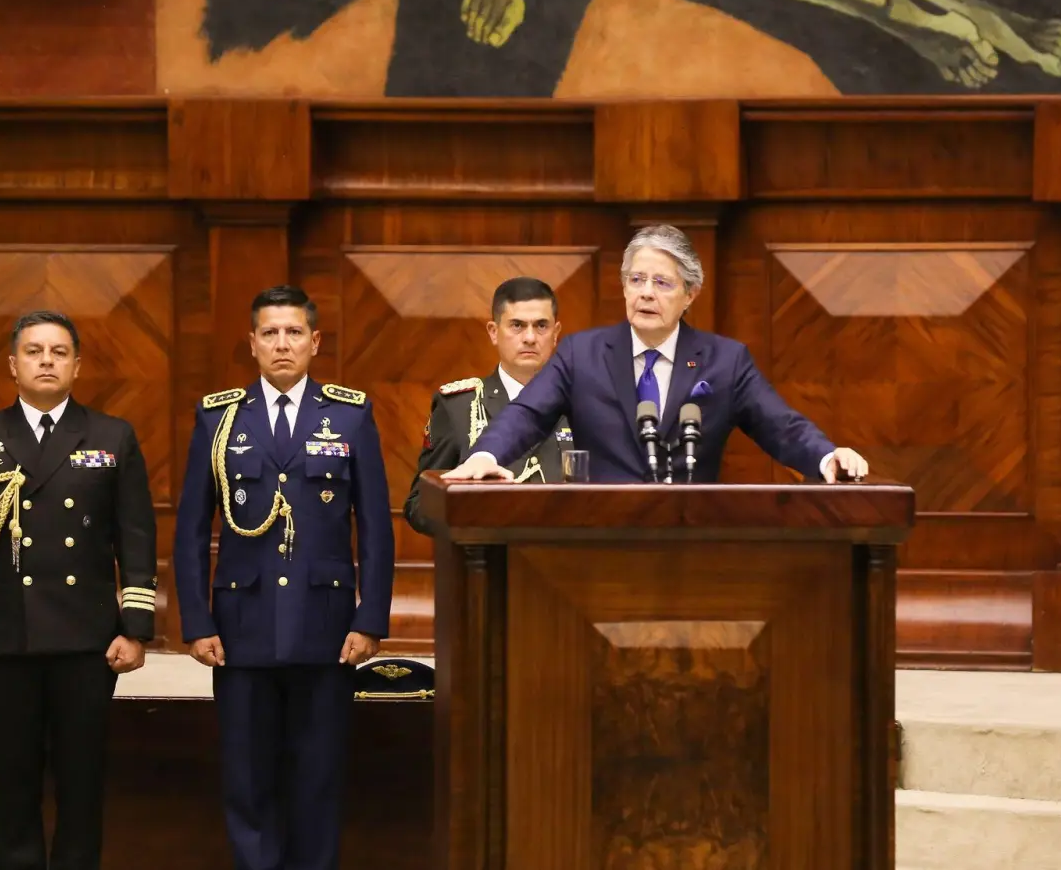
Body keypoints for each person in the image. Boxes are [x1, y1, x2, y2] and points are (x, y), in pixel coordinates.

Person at [173, 284, 394, 870]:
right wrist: (196, 621)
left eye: (294, 332)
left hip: (327, 630)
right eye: (269, 333)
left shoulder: (350, 414)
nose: (282, 344)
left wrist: (371, 618)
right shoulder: (218, 418)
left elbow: (374, 525)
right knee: (248, 783)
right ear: (251, 343)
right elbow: (192, 529)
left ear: (315, 342)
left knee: (318, 781)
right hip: (240, 630)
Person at [0, 310, 157, 870]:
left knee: (83, 783)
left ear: (78, 366)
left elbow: (134, 539)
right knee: (14, 782)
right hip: (6, 638)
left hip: (87, 641)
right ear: (13, 365)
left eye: (59, 352)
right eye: (34, 351)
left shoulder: (113, 435)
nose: (46, 361)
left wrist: (135, 629)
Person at [446, 224, 870, 483]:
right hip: (596, 544)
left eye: (662, 283)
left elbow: (782, 426)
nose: (646, 292)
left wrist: (827, 455)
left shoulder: (726, 361)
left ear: (690, 295)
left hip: (691, 545)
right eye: (637, 279)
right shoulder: (582, 354)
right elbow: (526, 414)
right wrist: (486, 455)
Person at [403, 276, 570, 533]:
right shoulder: (459, 406)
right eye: (516, 325)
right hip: (485, 561)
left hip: (565, 560)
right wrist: (472, 514)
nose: (529, 337)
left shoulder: (580, 404)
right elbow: (419, 505)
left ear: (556, 333)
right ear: (494, 332)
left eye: (541, 326)